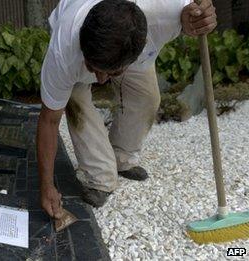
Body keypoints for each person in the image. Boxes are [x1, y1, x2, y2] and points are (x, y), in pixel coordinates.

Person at [37, 0, 217, 218]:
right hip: (76, 44)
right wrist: (46, 186)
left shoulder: (170, 9)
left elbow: (202, 9)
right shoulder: (63, 53)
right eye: (93, 69)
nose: (101, 81)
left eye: (110, 73)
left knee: (147, 98)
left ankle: (122, 158)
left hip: (130, 45)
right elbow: (49, 120)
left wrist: (202, 16)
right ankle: (100, 177)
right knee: (77, 104)